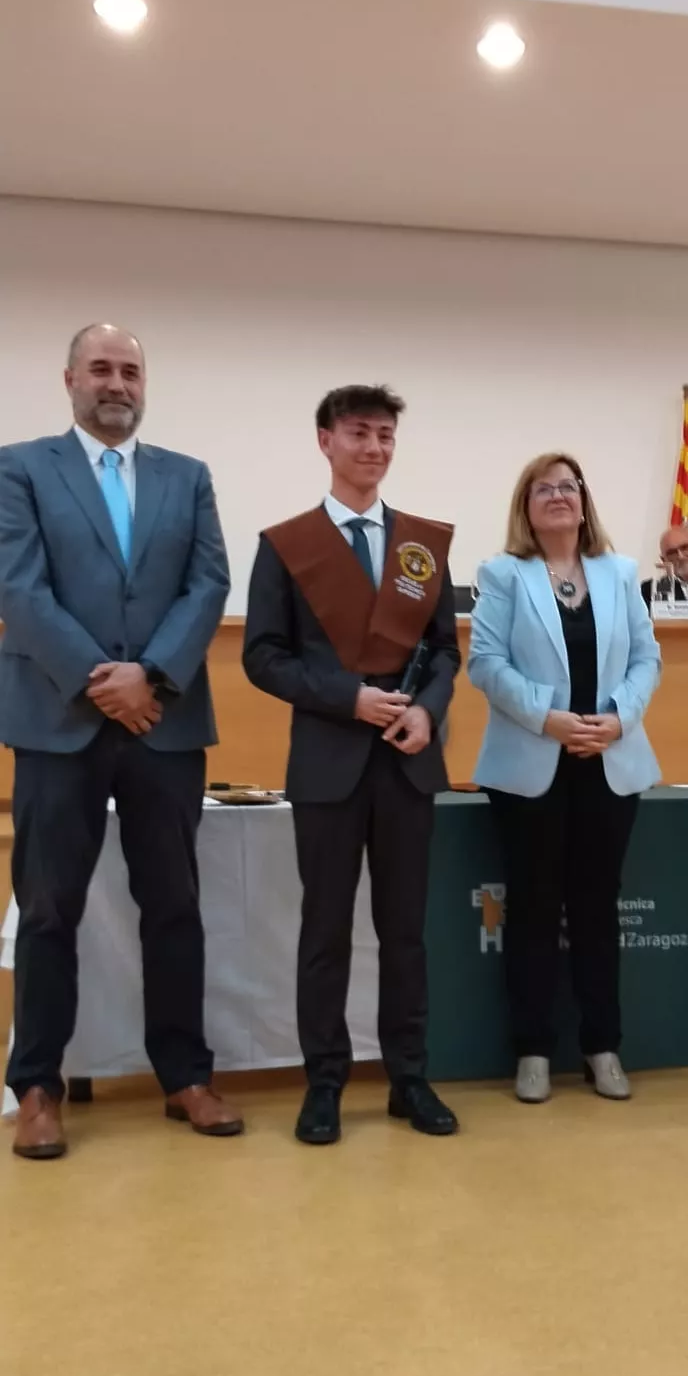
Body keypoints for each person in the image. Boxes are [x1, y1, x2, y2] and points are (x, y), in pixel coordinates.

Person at [0, 323, 240, 1159]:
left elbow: (209, 583)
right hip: (57, 721)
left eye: (131, 371)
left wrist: (154, 678)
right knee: (48, 911)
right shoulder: (21, 467)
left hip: (164, 724)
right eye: (101, 368)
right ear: (69, 377)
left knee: (174, 906)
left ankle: (185, 1078)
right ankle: (36, 1086)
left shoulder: (188, 477)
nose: (117, 383)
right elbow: (19, 589)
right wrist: (103, 681)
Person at [243, 383, 461, 1146]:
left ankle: (409, 1077)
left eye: (385, 436)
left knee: (406, 932)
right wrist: (349, 698)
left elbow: (442, 649)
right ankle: (325, 1083)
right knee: (325, 931)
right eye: (359, 433)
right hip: (329, 763)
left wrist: (428, 711)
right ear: (325, 441)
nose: (373, 447)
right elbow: (261, 658)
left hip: (408, 761)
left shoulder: (422, 543)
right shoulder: (285, 545)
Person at [469, 454, 661, 1103]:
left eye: (568, 487)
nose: (557, 496)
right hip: (532, 766)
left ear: (584, 501)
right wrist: (547, 718)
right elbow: (486, 663)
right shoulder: (503, 575)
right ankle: (532, 1050)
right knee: (531, 908)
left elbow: (645, 658)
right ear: (526, 506)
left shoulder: (620, 572)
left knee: (597, 909)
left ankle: (602, 1046)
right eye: (543, 488)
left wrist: (617, 717)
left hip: (608, 761)